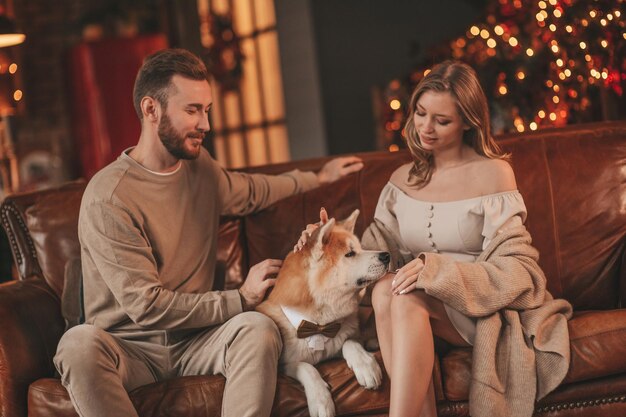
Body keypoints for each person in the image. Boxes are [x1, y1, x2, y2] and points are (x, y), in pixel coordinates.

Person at [53, 48, 363, 417]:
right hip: (129, 348)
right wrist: (241, 297)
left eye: (207, 109)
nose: (206, 124)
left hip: (198, 340)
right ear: (151, 110)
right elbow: (147, 307)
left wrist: (317, 177)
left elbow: (249, 191)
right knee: (77, 345)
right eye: (192, 110)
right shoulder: (109, 198)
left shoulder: (200, 168)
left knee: (257, 328)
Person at [297, 60, 571, 417]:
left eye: (442, 121)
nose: (425, 128)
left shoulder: (493, 175)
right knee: (386, 289)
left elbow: (520, 272)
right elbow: (370, 259)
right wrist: (323, 239)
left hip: (477, 310)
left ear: (468, 122)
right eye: (421, 113)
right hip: (407, 310)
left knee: (406, 297)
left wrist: (434, 270)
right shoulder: (400, 181)